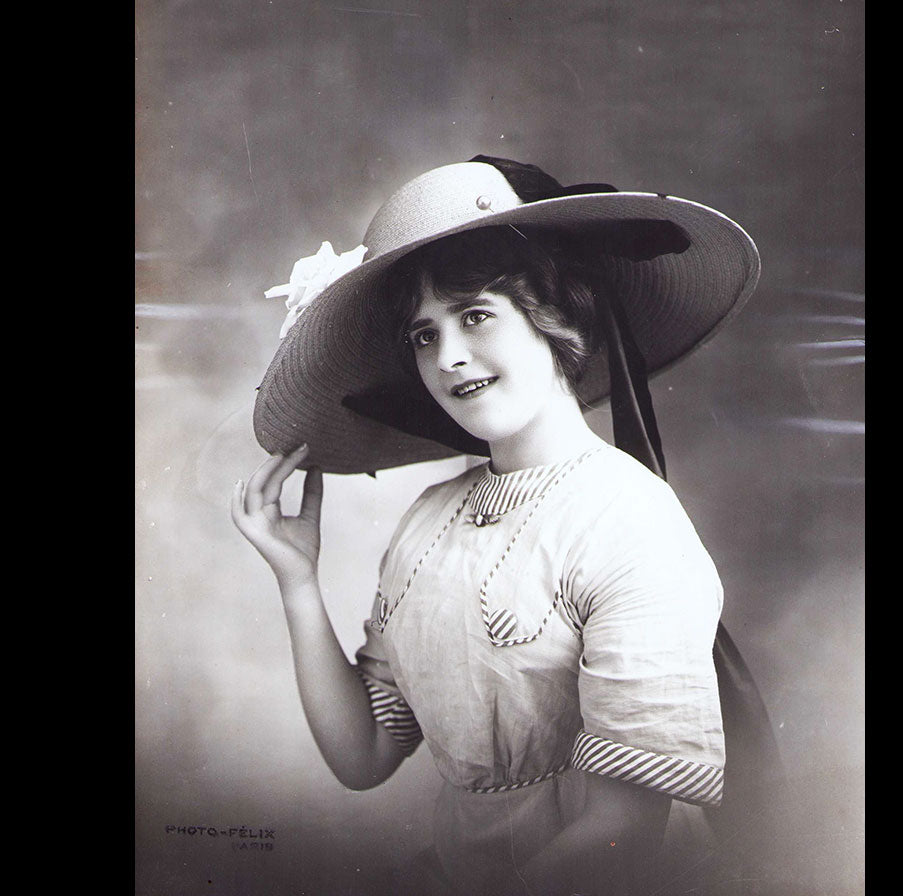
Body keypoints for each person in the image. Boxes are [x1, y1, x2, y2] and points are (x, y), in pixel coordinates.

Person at [232, 157, 767, 896]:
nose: (449, 356)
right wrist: (297, 580)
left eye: (476, 315)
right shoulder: (429, 521)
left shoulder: (628, 517)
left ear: (558, 318)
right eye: (423, 335)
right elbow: (365, 755)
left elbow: (621, 838)